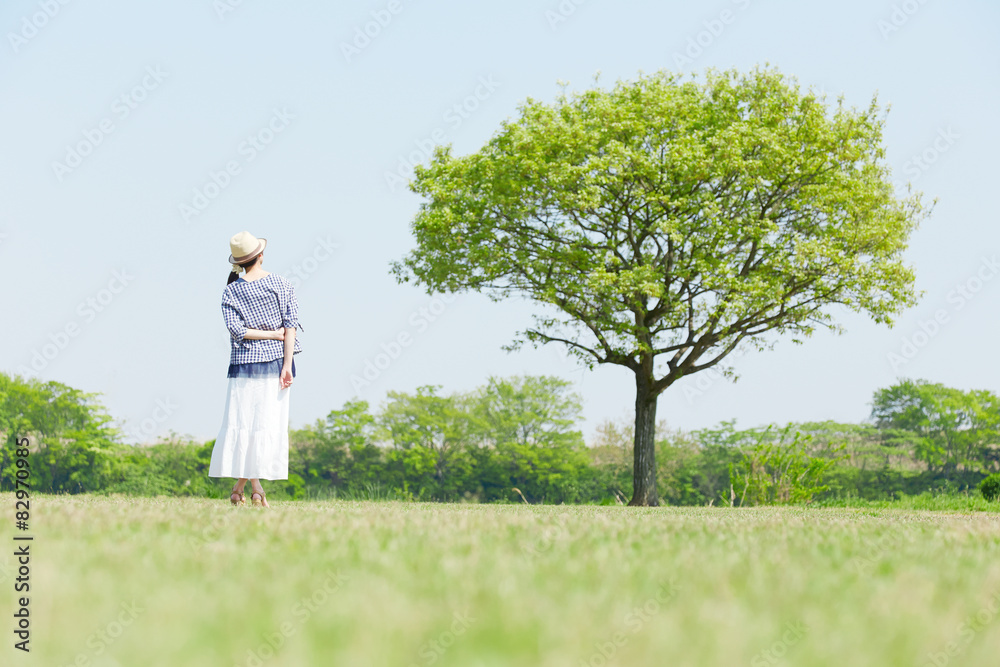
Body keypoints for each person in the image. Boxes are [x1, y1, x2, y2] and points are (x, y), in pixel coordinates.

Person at [208, 231, 302, 508]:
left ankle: (243, 486)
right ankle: (254, 487)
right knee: (266, 424)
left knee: (243, 423)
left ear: (238, 262)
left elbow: (237, 331)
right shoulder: (282, 284)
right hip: (275, 363)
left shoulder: (231, 290)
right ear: (261, 255)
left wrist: (271, 335)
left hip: (243, 364)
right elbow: (291, 328)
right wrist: (286, 362)